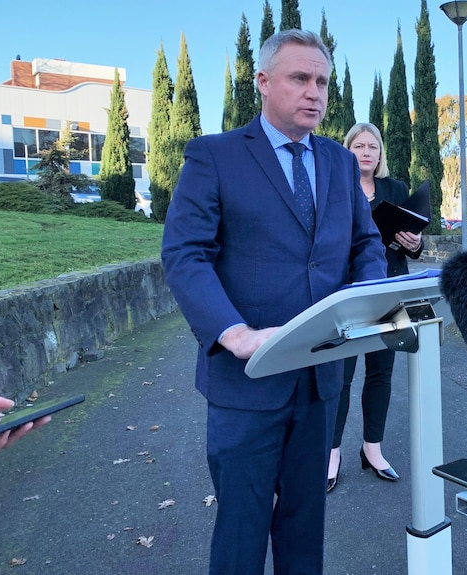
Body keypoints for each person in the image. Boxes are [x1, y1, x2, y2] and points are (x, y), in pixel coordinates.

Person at [160, 30, 387, 575]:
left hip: (319, 379)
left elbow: (364, 244)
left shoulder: (337, 161)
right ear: (263, 82)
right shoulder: (215, 156)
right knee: (241, 530)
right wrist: (233, 333)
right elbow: (185, 254)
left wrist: (369, 302)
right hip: (247, 380)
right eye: (300, 78)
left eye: (323, 82)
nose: (315, 92)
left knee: (304, 530)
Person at [327, 123, 423, 493]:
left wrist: (413, 241)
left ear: (380, 154)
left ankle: (372, 449)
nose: (366, 152)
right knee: (341, 377)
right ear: (347, 151)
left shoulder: (395, 190)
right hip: (346, 293)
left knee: (381, 373)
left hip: (389, 290)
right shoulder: (335, 188)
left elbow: (413, 243)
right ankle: (331, 453)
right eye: (358, 146)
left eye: (373, 147)